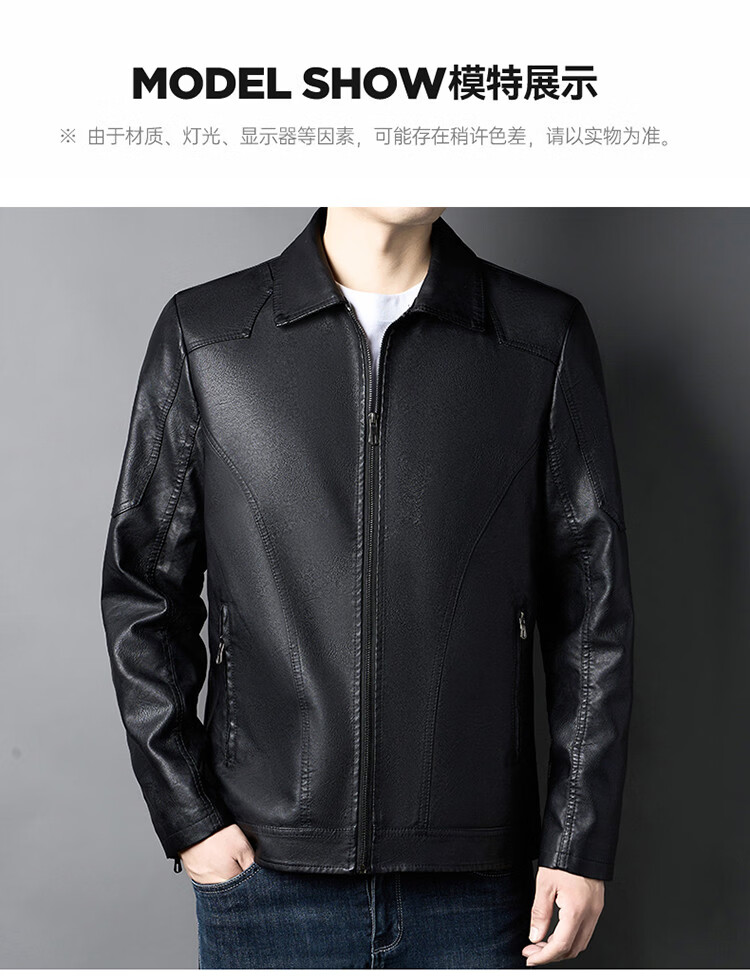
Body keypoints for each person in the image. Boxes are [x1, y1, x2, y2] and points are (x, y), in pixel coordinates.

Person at [101, 207, 634, 969]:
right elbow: (144, 589)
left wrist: (579, 838)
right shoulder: (207, 332)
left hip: (477, 879)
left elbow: (593, 606)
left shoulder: (539, 335)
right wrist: (189, 818)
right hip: (268, 873)